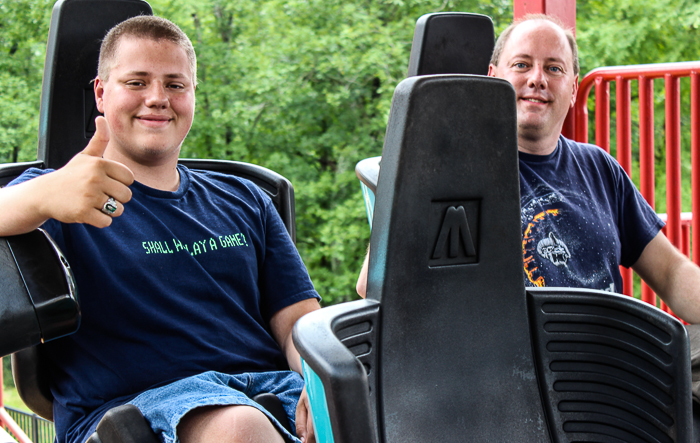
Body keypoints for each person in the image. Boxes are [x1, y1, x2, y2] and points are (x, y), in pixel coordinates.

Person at [0, 16, 319, 443]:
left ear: (192, 95)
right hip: (129, 414)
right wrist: (42, 196)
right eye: (136, 82)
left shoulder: (246, 198)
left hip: (267, 392)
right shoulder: (61, 194)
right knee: (240, 426)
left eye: (175, 84)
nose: (157, 98)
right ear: (100, 92)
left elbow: (299, 319)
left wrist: (323, 383)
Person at [357, 15, 700, 322]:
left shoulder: (599, 168)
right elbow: (372, 285)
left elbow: (671, 272)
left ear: (574, 89)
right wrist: (419, 161)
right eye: (521, 65)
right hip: (517, 374)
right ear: (491, 78)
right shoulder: (451, 172)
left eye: (554, 68)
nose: (537, 79)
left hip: (613, 361)